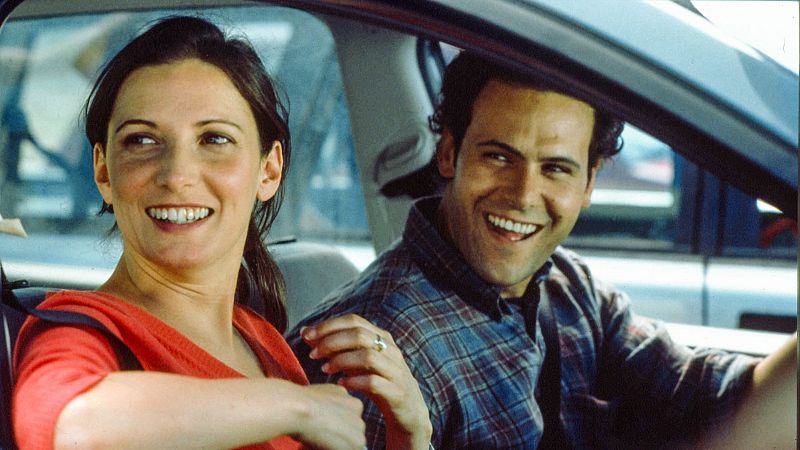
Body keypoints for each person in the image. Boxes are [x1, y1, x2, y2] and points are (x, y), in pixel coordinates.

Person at [288, 52, 797, 449]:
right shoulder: (374, 348)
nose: (524, 195)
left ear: (590, 182)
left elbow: (712, 399)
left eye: (555, 168)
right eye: (498, 157)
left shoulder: (569, 287)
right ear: (448, 153)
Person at [12, 17, 431, 450]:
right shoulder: (84, 330)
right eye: (141, 141)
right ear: (103, 172)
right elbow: (66, 424)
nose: (177, 175)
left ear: (269, 171)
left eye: (214, 139)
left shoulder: (260, 339)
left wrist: (413, 433)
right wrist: (297, 406)